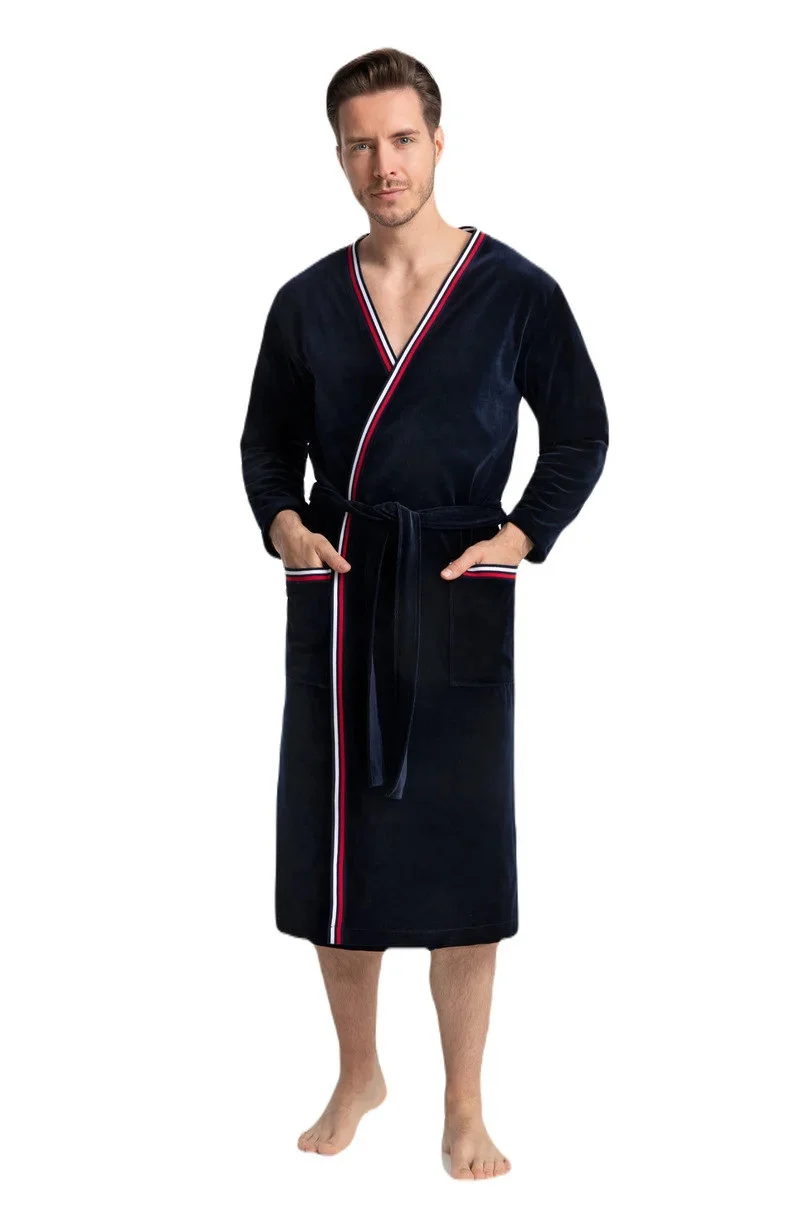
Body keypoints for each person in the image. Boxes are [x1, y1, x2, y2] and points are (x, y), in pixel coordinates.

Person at [240, 46, 609, 1180]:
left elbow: (582, 431)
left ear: (438, 143)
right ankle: (359, 1071)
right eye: (360, 144)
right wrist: (283, 524)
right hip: (346, 583)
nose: (383, 164)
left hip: (454, 589)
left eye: (402, 139)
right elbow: (266, 446)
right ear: (338, 155)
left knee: (462, 852)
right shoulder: (307, 301)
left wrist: (522, 535)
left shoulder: (516, 292)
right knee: (335, 848)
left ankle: (465, 1105)